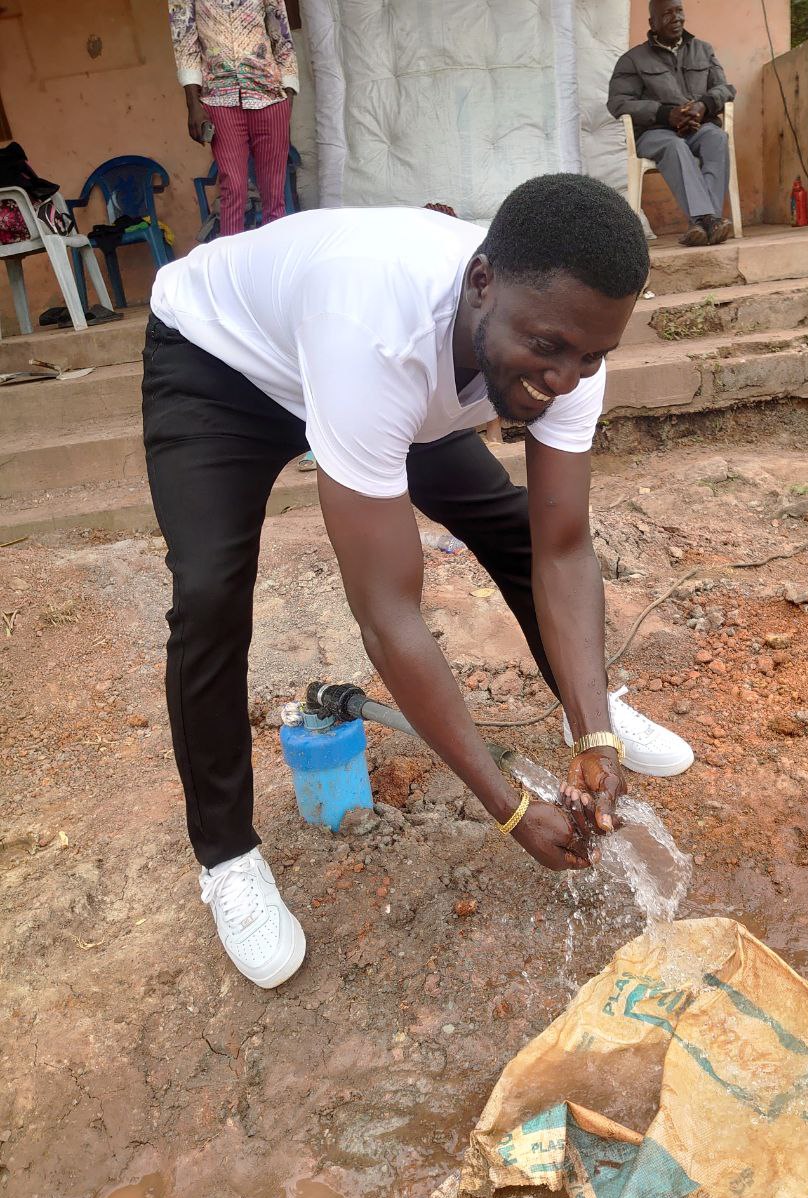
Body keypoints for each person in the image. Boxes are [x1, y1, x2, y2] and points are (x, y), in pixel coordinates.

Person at [143, 174, 695, 990]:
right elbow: (388, 614)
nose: (568, 379)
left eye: (593, 356)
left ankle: (598, 713)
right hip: (224, 367)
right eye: (548, 349)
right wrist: (506, 805)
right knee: (211, 593)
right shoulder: (374, 331)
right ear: (481, 284)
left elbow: (565, 543)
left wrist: (593, 735)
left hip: (404, 374)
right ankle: (226, 857)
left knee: (515, 525)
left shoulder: (567, 335)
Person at [607, 0, 736, 247]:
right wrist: (666, 114)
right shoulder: (632, 60)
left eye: (679, 11)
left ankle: (703, 224)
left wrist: (704, 105)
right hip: (655, 132)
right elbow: (618, 103)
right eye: (667, 14)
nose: (676, 18)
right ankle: (708, 220)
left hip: (699, 127)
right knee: (675, 147)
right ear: (652, 23)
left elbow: (725, 88)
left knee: (717, 139)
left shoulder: (703, 49)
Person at [168, 0, 299, 237]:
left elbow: (280, 31)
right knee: (233, 189)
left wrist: (288, 92)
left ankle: (274, 265)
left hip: (269, 95)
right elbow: (184, 41)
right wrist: (193, 104)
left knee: (273, 194)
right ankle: (232, 268)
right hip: (219, 97)